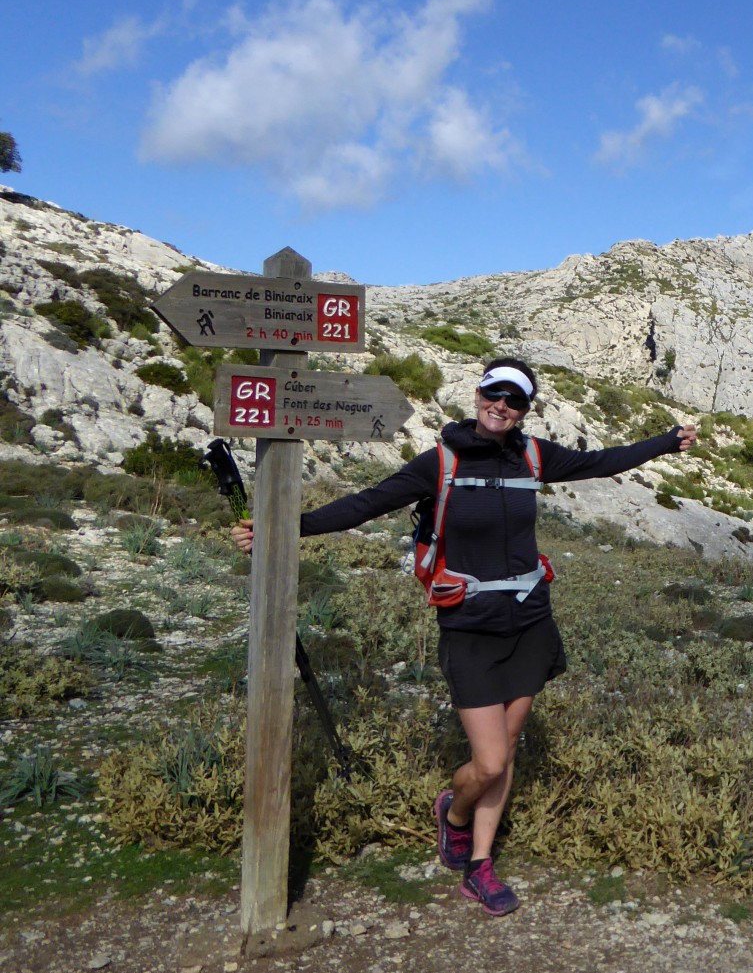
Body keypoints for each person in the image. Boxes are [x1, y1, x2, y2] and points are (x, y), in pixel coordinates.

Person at [231, 358, 697, 916]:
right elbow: (366, 503)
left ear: (526, 409)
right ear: (477, 395)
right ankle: (453, 812)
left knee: (508, 750)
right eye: (493, 394)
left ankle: (479, 865)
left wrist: (666, 442)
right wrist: (286, 525)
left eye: (515, 400)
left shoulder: (534, 455)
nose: (501, 406)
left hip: (529, 622)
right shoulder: (441, 462)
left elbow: (603, 462)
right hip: (469, 626)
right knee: (492, 760)